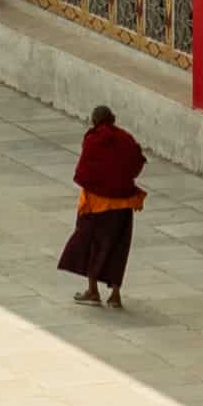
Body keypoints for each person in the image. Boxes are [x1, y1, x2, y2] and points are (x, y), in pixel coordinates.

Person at [59, 104, 145, 308]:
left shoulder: (93, 140)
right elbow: (136, 160)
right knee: (118, 247)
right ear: (113, 119)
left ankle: (93, 291)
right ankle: (115, 295)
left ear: (94, 121)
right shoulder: (125, 137)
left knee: (91, 246)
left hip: (97, 204)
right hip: (124, 203)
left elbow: (86, 170)